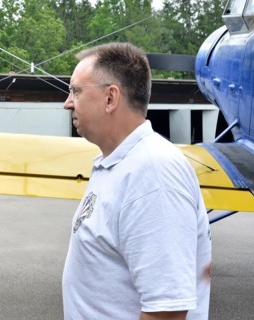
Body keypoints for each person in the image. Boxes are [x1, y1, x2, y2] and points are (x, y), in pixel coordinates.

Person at [61, 42, 212, 319]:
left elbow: (166, 310)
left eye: (76, 91)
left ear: (110, 98)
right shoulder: (120, 163)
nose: (67, 102)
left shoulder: (153, 173)